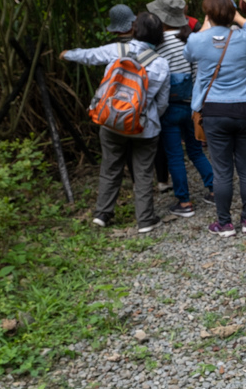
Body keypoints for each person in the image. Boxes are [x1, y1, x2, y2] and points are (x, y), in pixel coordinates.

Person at [60, 12, 170, 233]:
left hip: (111, 121)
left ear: (134, 29)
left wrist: (67, 54)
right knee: (143, 172)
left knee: (110, 167)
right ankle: (145, 219)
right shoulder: (160, 64)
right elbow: (162, 103)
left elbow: (89, 56)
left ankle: (103, 213)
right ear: (159, 36)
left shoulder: (117, 50)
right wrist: (145, 117)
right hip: (143, 126)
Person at [184, 0, 246, 237]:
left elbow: (189, 53)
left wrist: (207, 25)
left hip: (215, 111)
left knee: (222, 171)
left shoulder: (198, 40)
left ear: (207, 13)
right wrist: (237, 16)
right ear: (232, 12)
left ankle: (225, 223)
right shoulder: (245, 38)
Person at [146, 0, 215, 218]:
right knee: (195, 151)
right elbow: (199, 74)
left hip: (169, 108)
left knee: (174, 155)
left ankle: (184, 202)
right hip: (191, 104)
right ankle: (214, 189)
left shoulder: (157, 45)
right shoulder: (190, 40)